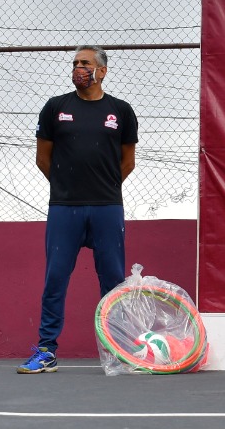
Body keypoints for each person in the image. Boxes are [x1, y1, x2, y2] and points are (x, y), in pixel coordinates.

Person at [19, 46, 138, 373]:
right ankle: (46, 350)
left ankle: (120, 350)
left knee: (113, 281)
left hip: (107, 208)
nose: (78, 69)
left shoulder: (121, 111)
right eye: (75, 63)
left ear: (102, 71)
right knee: (55, 279)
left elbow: (127, 162)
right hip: (64, 208)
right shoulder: (55, 107)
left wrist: (105, 186)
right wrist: (65, 187)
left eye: (85, 64)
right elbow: (43, 159)